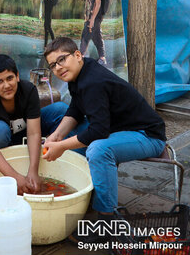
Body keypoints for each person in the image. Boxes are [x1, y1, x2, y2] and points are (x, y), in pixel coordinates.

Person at [42, 37, 166, 243]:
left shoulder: (93, 81)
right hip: (118, 130)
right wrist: (57, 136)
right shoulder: (80, 73)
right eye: (53, 65)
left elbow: (99, 131)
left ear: (77, 55)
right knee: (75, 144)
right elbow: (75, 109)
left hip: (146, 135)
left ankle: (106, 224)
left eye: (62, 60)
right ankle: (86, 199)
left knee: (98, 150)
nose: (58, 68)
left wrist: (61, 146)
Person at [0, 54, 43, 195]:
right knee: (0, 130)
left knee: (59, 110)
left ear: (17, 76)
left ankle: (55, 159)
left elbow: (34, 132)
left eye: (10, 78)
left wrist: (33, 171)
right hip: (1, 138)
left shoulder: (29, 90)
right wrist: (14, 176)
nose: (6, 85)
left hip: (23, 131)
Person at [79, 0, 107, 65]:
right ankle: (102, 58)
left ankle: (81, 57)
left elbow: (98, 4)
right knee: (95, 37)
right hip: (92, 18)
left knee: (87, 36)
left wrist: (92, 20)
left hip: (94, 18)